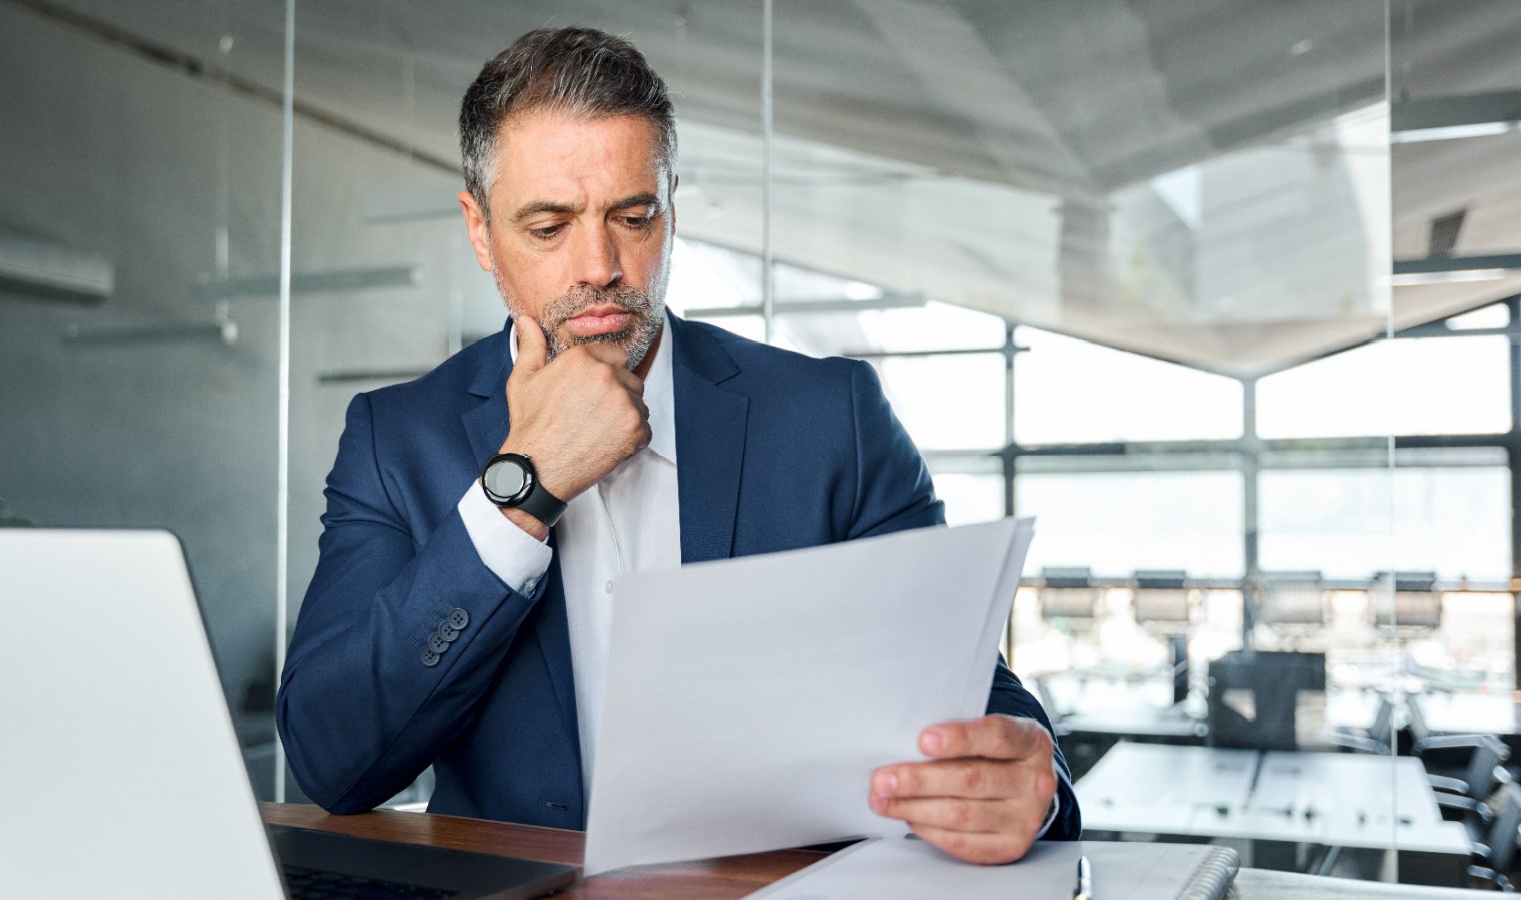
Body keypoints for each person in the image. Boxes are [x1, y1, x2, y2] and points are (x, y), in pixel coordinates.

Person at [277, 26, 1080, 865]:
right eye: (549, 226)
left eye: (634, 215)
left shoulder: (830, 416)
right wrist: (522, 490)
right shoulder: (397, 438)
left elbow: (964, 687)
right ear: (480, 232)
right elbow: (333, 761)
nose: (601, 265)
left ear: (670, 209)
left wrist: (1034, 775)